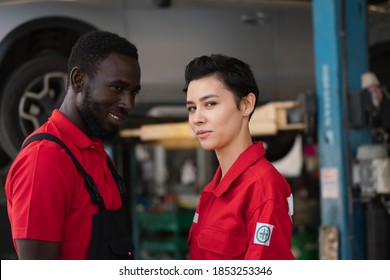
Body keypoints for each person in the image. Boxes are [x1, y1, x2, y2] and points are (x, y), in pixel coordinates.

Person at [5, 30, 141, 259]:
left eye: (133, 92)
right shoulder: (45, 159)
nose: (128, 103)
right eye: (117, 88)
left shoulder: (98, 155)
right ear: (78, 80)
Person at [183, 54, 295, 260]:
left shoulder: (262, 188)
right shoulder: (212, 190)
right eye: (192, 108)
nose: (197, 118)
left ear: (246, 105)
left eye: (210, 104)